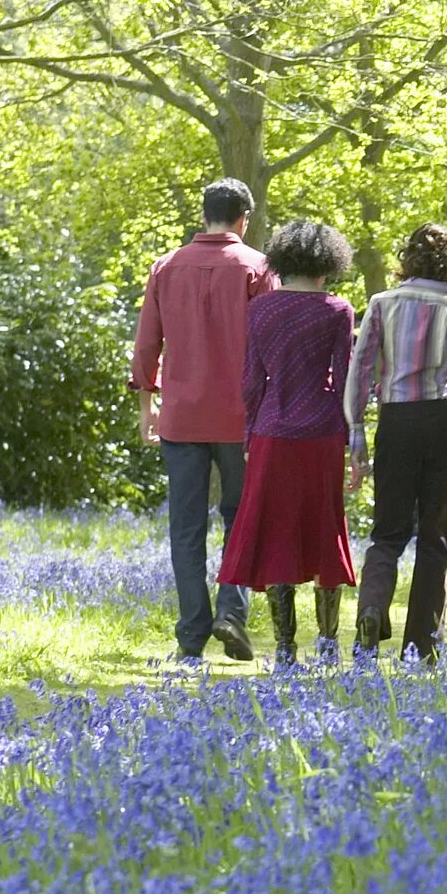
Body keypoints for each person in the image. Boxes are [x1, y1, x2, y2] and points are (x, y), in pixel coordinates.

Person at [132, 178, 276, 662]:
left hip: (182, 416)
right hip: (242, 418)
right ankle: (231, 613)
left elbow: (147, 345)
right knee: (241, 519)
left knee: (186, 527)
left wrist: (146, 408)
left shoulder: (166, 267)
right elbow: (269, 347)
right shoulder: (258, 269)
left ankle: (191, 636)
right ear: (244, 219)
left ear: (203, 215)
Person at [218, 218, 360, 664]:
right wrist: (356, 441)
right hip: (323, 434)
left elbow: (250, 382)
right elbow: (346, 384)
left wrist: (247, 434)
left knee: (278, 533)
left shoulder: (261, 310)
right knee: (325, 528)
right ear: (327, 262)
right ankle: (328, 644)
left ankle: (284, 648)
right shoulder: (338, 310)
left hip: (271, 434)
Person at [344, 223, 447, 662]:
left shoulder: (382, 304)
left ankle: (371, 607)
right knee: (433, 536)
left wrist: (356, 432)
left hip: (396, 420)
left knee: (387, 531)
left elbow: (360, 369)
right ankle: (423, 643)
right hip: (441, 422)